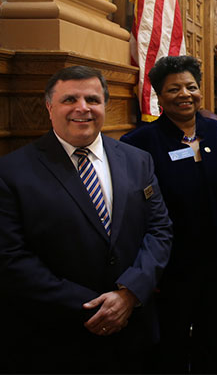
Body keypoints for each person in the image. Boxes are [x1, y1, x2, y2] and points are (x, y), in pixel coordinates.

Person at [0, 65, 172, 373]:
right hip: (56, 338)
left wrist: (129, 294)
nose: (82, 108)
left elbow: (159, 230)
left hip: (134, 331)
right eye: (70, 100)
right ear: (49, 107)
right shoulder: (12, 172)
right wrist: (94, 306)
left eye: (92, 99)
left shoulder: (137, 160)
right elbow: (11, 258)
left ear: (105, 105)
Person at [120, 56, 217, 373]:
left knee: (216, 347)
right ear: (159, 96)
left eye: (191, 87)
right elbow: (133, 213)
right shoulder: (137, 144)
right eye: (174, 89)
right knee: (168, 350)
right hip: (168, 272)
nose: (185, 94)